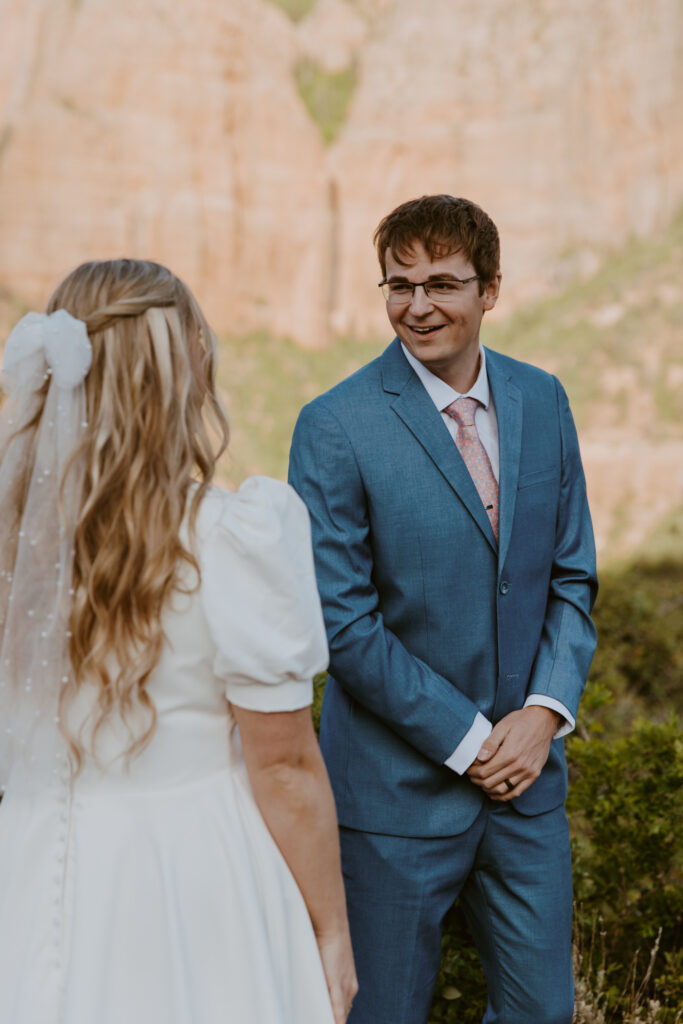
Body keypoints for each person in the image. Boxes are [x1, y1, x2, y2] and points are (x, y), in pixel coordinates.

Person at [0, 259, 357, 1024]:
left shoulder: (12, 543)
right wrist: (330, 933)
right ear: (177, 369)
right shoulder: (230, 538)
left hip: (31, 864)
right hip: (191, 870)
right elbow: (286, 766)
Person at [288, 194, 598, 1024]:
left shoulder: (544, 400)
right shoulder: (333, 427)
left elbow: (571, 579)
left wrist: (541, 716)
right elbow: (344, 625)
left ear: (489, 288)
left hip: (527, 790)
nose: (416, 306)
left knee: (543, 1012)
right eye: (398, 285)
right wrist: (470, 744)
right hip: (391, 799)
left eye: (441, 284)